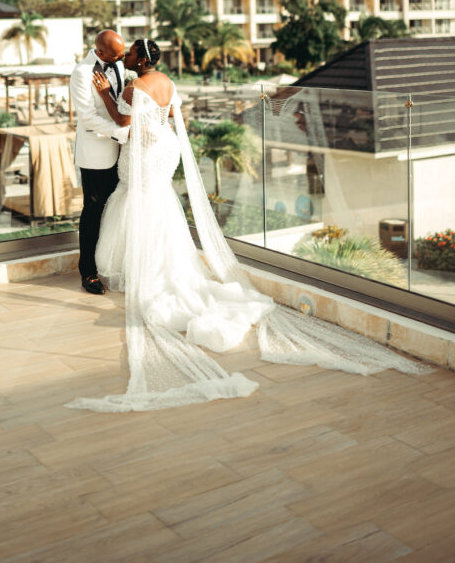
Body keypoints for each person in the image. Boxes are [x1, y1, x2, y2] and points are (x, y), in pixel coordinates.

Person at [67, 37, 428, 413]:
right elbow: (171, 117)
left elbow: (123, 119)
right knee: (158, 203)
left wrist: (109, 94)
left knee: (136, 200)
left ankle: (141, 267)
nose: (126, 57)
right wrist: (147, 124)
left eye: (130, 53)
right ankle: (161, 264)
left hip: (143, 149)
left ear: (139, 59)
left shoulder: (131, 85)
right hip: (163, 146)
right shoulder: (168, 82)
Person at [69, 29, 128, 295]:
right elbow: (87, 117)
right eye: (116, 55)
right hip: (95, 154)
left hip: (122, 152)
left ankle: (111, 264)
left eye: (122, 54)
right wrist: (123, 131)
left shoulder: (117, 63)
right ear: (100, 52)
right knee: (93, 213)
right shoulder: (81, 73)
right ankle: (89, 272)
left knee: (116, 210)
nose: (121, 58)